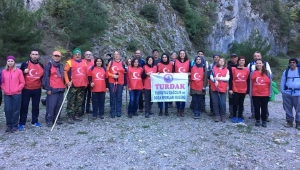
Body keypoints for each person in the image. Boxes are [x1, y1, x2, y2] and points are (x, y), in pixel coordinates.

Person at [18, 49, 44, 130]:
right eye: (33, 54)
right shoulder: (25, 64)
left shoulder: (41, 65)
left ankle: (35, 121)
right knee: (24, 106)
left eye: (36, 54)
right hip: (26, 89)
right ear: (30, 55)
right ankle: (22, 123)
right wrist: (23, 72)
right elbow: (18, 75)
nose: (34, 56)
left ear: (38, 56)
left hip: (37, 89)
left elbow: (43, 77)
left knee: (35, 106)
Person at [1, 56, 25, 132]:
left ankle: (15, 125)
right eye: (9, 61)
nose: (10, 62)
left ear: (14, 62)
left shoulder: (19, 71)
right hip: (7, 94)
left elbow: (22, 82)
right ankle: (9, 125)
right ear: (6, 62)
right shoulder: (3, 71)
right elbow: (2, 82)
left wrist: (18, 89)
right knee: (7, 109)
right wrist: (4, 88)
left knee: (15, 110)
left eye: (12, 61)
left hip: (16, 93)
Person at [64, 48, 88, 123]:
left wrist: (87, 82)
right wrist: (67, 82)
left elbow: (86, 72)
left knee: (79, 100)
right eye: (76, 54)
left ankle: (76, 114)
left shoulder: (84, 62)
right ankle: (70, 115)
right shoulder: (69, 62)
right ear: (73, 55)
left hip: (82, 84)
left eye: (79, 54)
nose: (77, 55)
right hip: (73, 85)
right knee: (71, 100)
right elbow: (65, 72)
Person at [43, 51, 65, 127]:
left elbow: (63, 76)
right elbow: (46, 77)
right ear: (52, 56)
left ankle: (57, 118)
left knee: (59, 105)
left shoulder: (61, 65)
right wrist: (47, 88)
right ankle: (49, 119)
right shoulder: (48, 65)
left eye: (58, 56)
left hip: (61, 87)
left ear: (60, 57)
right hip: (52, 88)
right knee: (51, 105)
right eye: (55, 56)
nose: (57, 57)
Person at [247, 51, 272, 120]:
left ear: (261, 57)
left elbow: (270, 76)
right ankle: (254, 114)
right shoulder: (250, 65)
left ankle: (265, 116)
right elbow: (248, 75)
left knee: (264, 105)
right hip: (255, 88)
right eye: (255, 56)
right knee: (254, 103)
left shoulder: (266, 64)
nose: (256, 57)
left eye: (258, 56)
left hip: (264, 88)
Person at [228, 56, 249, 123]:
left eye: (243, 60)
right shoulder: (233, 69)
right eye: (240, 60)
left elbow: (248, 80)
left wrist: (247, 91)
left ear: (245, 62)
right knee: (235, 103)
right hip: (235, 88)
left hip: (243, 89)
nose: (241, 62)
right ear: (238, 61)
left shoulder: (247, 69)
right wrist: (230, 88)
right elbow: (231, 79)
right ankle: (234, 116)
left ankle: (240, 117)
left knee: (241, 103)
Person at [280, 58, 300, 129]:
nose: (292, 63)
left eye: (294, 62)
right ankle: (289, 121)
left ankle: (298, 123)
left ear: (296, 63)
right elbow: (283, 81)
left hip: (298, 93)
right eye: (290, 62)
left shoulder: (299, 71)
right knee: (287, 108)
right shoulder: (286, 72)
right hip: (287, 93)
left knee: (299, 109)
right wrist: (283, 91)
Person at [107, 50, 126, 118]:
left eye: (117, 54)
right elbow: (107, 72)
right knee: (112, 97)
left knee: (119, 97)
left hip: (120, 82)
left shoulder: (122, 63)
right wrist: (113, 75)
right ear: (113, 56)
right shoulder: (111, 62)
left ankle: (118, 111)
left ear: (120, 55)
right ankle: (112, 111)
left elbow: (125, 73)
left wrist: (124, 84)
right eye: (115, 54)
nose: (116, 55)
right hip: (112, 82)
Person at [210, 58, 229, 122]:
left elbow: (227, 78)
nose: (221, 62)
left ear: (224, 62)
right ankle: (217, 115)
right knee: (215, 102)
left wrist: (219, 78)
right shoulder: (214, 68)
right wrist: (215, 80)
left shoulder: (226, 70)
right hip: (214, 87)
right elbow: (211, 76)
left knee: (222, 102)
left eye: (222, 61)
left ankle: (223, 115)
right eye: (220, 61)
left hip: (222, 87)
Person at [174, 50, 190, 117]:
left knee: (183, 95)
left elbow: (191, 72)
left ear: (185, 54)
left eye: (183, 53)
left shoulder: (188, 61)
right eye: (181, 53)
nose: (182, 54)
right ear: (179, 54)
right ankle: (178, 109)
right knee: (178, 95)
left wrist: (187, 74)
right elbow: (173, 71)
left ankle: (182, 109)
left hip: (185, 81)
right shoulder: (176, 61)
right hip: (177, 81)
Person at [81, 51, 94, 116]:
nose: (88, 56)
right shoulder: (81, 62)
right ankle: (82, 109)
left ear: (91, 55)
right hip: (83, 82)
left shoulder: (93, 62)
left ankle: (88, 109)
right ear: (84, 55)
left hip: (90, 82)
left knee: (89, 96)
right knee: (83, 97)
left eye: (89, 54)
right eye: (87, 54)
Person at [227, 53, 239, 118]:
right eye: (232, 57)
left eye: (235, 57)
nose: (233, 58)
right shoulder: (227, 66)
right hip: (230, 85)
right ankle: (231, 113)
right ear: (230, 58)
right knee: (231, 99)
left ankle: (239, 112)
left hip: (239, 85)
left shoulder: (240, 65)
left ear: (237, 58)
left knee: (239, 100)